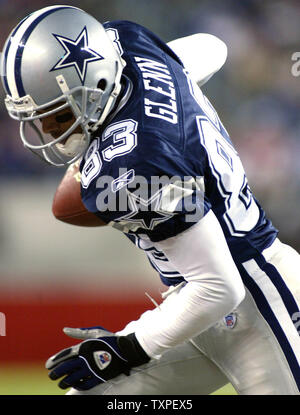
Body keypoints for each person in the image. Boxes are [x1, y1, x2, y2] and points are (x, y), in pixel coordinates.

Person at [1, 5, 300, 395]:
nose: (49, 131)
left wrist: (126, 349)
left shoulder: (137, 166)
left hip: (260, 301)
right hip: (196, 309)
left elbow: (219, 287)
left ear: (97, 82)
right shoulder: (127, 42)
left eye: (57, 115)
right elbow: (212, 48)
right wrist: (176, 97)